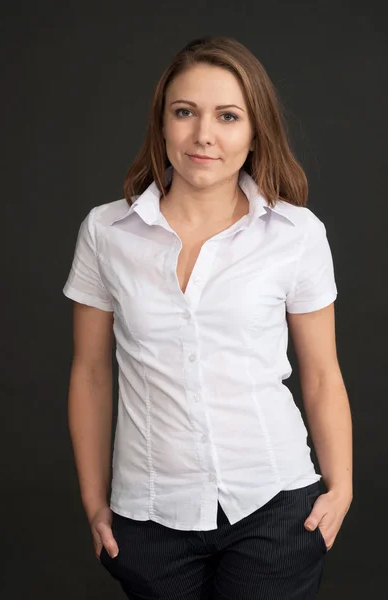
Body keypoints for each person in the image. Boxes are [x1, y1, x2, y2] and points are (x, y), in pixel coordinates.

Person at [62, 36, 353, 599]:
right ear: (162, 123)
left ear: (254, 130)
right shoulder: (105, 233)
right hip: (148, 518)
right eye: (184, 112)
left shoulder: (296, 235)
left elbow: (321, 374)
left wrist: (340, 487)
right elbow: (91, 374)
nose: (203, 135)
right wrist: (95, 503)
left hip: (275, 507)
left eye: (227, 116)